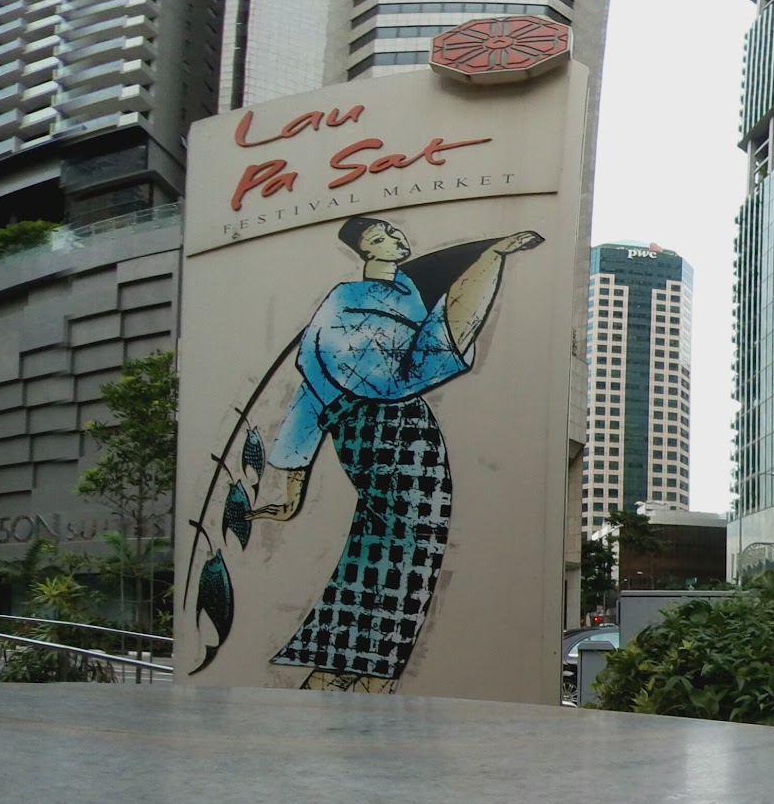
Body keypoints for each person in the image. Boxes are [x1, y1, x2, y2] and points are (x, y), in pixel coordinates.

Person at [198, 214, 543, 690]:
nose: (394, 236)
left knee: (412, 542)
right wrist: (293, 482)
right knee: (403, 541)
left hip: (413, 426)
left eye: (393, 231)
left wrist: (488, 261)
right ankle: (352, 670)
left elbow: (435, 343)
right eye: (379, 236)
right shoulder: (345, 298)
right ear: (364, 250)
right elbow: (317, 380)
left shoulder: (411, 295)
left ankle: (355, 670)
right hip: (365, 423)